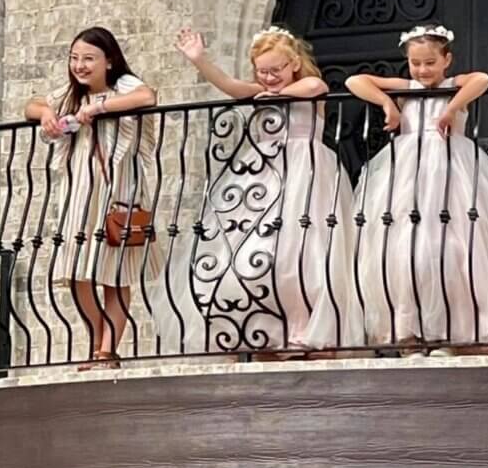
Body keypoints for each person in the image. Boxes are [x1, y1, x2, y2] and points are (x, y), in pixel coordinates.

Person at [345, 23, 488, 352]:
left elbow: (482, 79)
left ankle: (468, 331)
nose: (422, 70)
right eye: (416, 63)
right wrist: (387, 103)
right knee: (407, 252)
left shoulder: (454, 85)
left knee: (460, 251)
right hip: (408, 178)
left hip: (452, 175)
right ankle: (412, 333)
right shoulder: (407, 87)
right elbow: (356, 81)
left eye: (430, 63)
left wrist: (452, 107)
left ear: (446, 60)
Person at [155, 24, 362, 355]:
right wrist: (200, 60)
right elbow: (229, 85)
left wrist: (275, 95)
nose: (268, 78)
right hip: (261, 176)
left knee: (303, 252)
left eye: (276, 70)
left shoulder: (311, 84)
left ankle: (306, 328)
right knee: (252, 251)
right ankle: (262, 329)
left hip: (304, 172)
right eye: (262, 72)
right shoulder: (261, 90)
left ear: (293, 63)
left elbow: (313, 86)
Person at [25, 26, 161, 369]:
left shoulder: (123, 85)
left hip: (121, 193)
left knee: (116, 273)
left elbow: (147, 97)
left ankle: (105, 350)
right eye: (74, 58)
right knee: (74, 270)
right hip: (80, 194)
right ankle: (102, 338)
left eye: (89, 58)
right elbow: (32, 104)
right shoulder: (71, 94)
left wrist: (102, 108)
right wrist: (45, 114)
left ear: (109, 61)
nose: (80, 66)